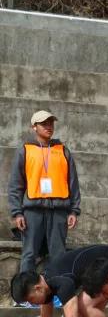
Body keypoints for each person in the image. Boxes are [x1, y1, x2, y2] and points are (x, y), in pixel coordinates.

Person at [7, 110, 80, 276]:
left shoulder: (63, 151)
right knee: (29, 253)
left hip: (59, 211)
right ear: (34, 127)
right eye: (44, 124)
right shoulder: (25, 150)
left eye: (51, 123)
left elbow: (73, 183)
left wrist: (74, 211)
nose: (49, 126)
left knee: (58, 255)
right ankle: (25, 290)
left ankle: (56, 288)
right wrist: (17, 213)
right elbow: (16, 185)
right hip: (32, 211)